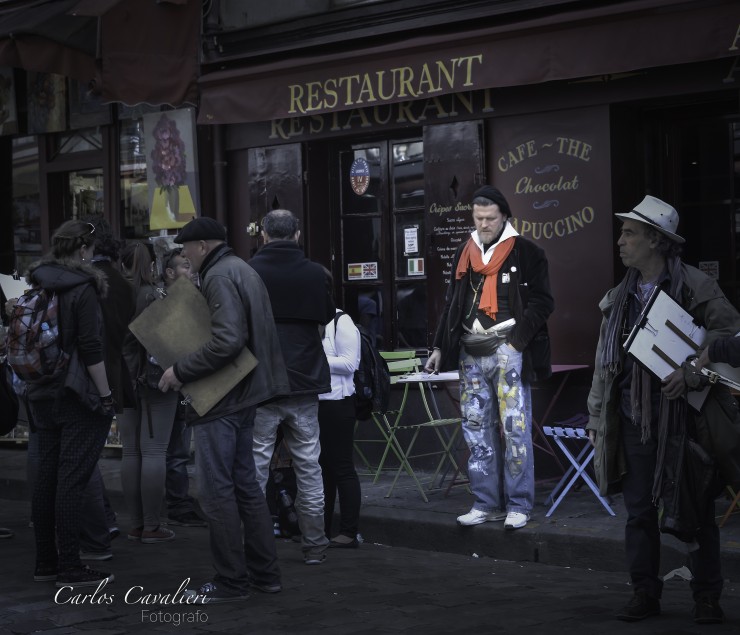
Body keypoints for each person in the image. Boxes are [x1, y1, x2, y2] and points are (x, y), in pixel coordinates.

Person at [586, 195, 740, 624]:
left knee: (695, 512)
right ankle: (644, 593)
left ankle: (707, 597)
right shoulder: (618, 298)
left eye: (629, 233)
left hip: (687, 419)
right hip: (634, 419)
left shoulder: (696, 286)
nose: (620, 241)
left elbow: (729, 336)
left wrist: (692, 372)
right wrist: (598, 418)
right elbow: (604, 365)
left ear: (655, 240)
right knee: (638, 514)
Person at [158, 216, 290, 603]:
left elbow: (228, 340)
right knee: (246, 487)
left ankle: (232, 580)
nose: (185, 255)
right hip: (244, 394)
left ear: (201, 246)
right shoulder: (240, 268)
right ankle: (265, 575)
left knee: (217, 493)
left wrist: (179, 370)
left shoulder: (219, 275)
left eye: (186, 248)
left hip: (224, 398)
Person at [425, 185, 554, 531]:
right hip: (470, 349)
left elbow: (543, 302)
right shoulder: (465, 252)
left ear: (505, 217)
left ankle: (519, 504)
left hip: (508, 349)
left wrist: (516, 344)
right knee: (475, 429)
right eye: (478, 218)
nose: (483, 225)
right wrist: (439, 346)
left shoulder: (528, 252)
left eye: (490, 219)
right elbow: (453, 302)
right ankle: (485, 502)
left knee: (514, 428)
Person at [24, 219, 116, 587]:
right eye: (91, 248)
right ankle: (70, 565)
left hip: (40, 391)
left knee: (46, 479)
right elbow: (92, 349)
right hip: (76, 392)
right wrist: (106, 395)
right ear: (82, 250)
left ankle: (45, 561)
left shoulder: (38, 280)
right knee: (71, 481)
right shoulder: (85, 287)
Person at [249, 209, 336, 565]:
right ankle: (315, 545)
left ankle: (252, 545)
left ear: (265, 236)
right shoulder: (316, 273)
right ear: (297, 234)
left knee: (254, 467)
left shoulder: (250, 271)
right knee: (309, 467)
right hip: (303, 381)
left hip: (261, 382)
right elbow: (324, 319)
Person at [119, 242, 177, 544]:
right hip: (153, 379)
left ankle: (136, 523)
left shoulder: (111, 291)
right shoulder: (151, 295)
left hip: (121, 379)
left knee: (130, 452)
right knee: (154, 451)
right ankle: (152, 526)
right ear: (151, 265)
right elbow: (164, 344)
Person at [159, 248, 206, 528]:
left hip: (192, 381)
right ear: (169, 273)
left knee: (181, 445)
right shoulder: (162, 302)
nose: (192, 272)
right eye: (185, 267)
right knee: (176, 447)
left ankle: (179, 500)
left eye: (192, 267)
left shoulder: (193, 300)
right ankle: (178, 503)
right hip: (173, 383)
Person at [319, 307, 362, 548]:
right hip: (314, 402)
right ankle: (321, 530)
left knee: (342, 467)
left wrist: (313, 357)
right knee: (322, 469)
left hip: (338, 402)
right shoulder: (311, 320)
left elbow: (349, 363)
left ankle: (348, 532)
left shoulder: (340, 320)